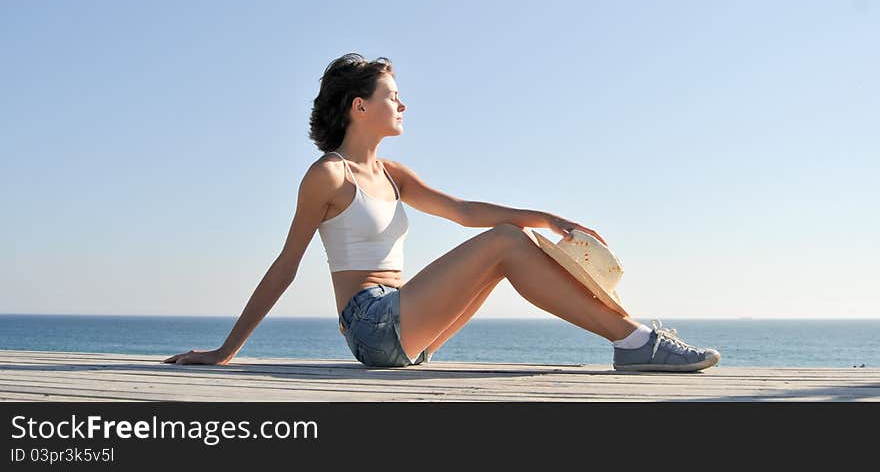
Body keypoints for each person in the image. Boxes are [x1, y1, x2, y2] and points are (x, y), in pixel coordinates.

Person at [164, 53, 720, 372]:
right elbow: (286, 264)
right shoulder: (328, 176)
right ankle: (636, 342)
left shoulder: (392, 174)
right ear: (360, 107)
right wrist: (225, 351)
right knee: (505, 242)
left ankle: (633, 342)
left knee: (506, 246)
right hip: (372, 325)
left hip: (408, 328)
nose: (402, 104)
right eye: (392, 96)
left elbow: (461, 210)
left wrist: (548, 217)